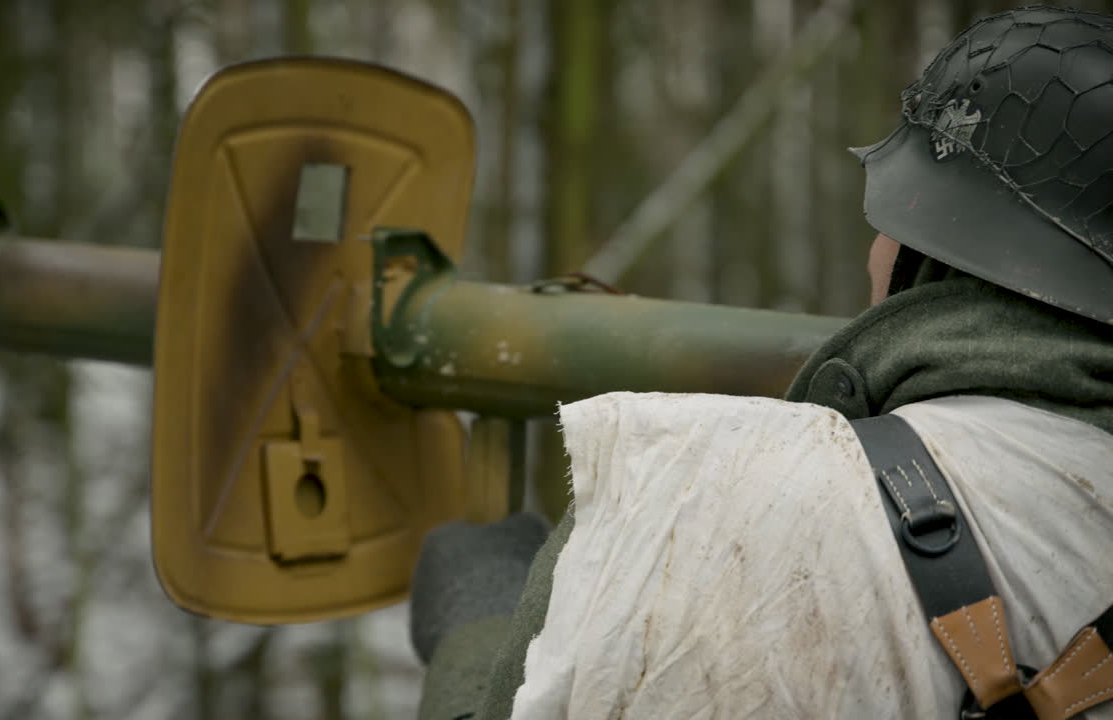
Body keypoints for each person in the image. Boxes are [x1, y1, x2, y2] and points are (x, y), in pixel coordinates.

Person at [409, 6, 1113, 719]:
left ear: (930, 253)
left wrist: (479, 637)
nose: (870, 255)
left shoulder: (701, 504)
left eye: (884, 226)